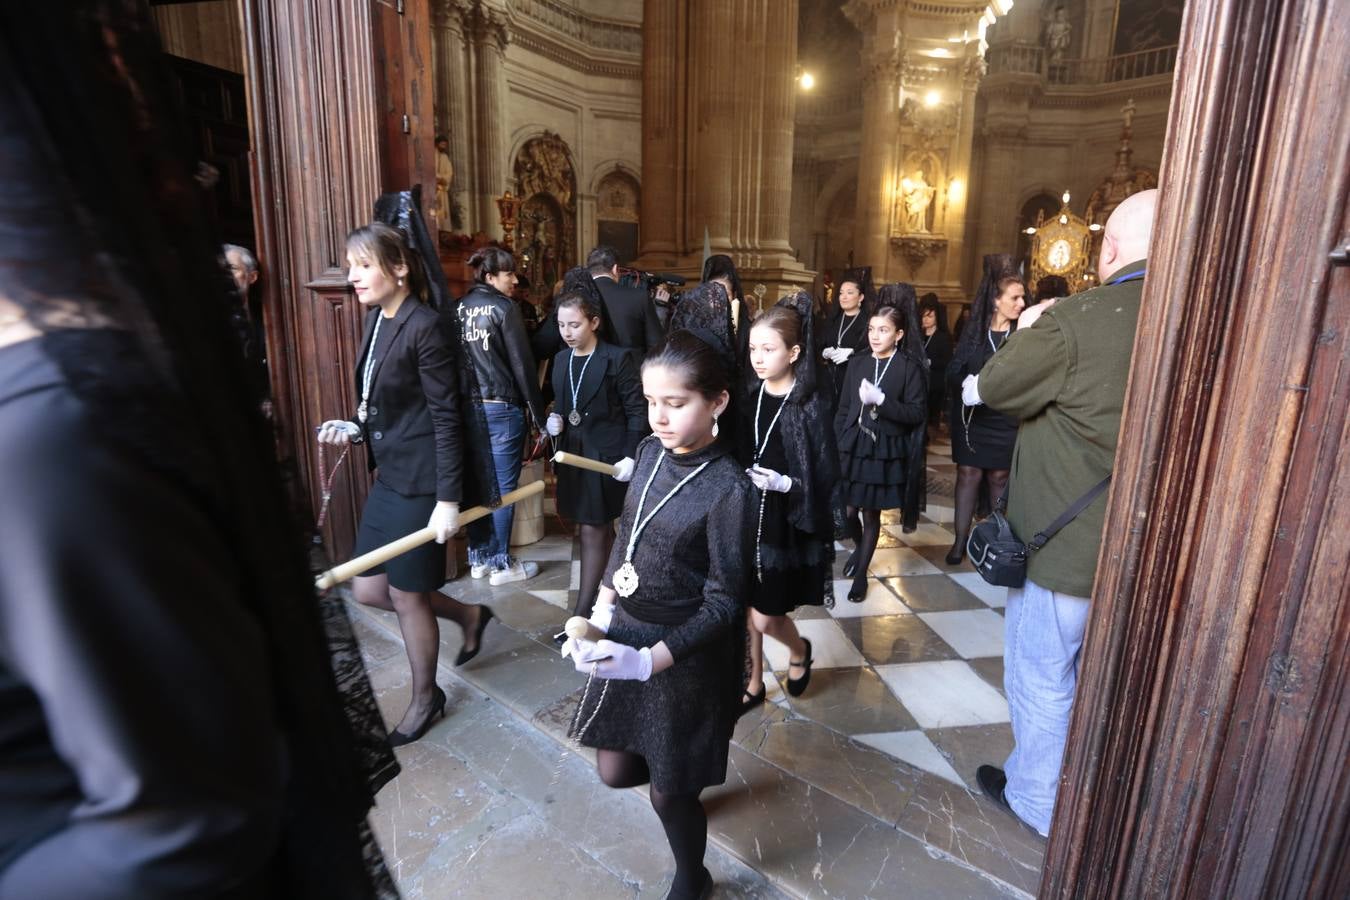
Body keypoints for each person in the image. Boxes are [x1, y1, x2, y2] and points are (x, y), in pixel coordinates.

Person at [0, 7, 389, 893]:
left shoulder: (49, 434)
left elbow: (183, 817)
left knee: (389, 583)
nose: (353, 283)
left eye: (365, 270)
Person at [966, 189, 1157, 838]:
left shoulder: (1082, 318)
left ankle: (1038, 802)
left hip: (1067, 554)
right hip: (1151, 553)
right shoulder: (1201, 313)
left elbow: (997, 386)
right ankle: (1098, 793)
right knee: (1115, 686)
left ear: (1107, 249)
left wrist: (1027, 330)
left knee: (1043, 679)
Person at [560, 289, 753, 900]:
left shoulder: (729, 488)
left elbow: (726, 604)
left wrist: (649, 662)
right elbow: (627, 535)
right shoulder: (648, 451)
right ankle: (680, 761)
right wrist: (598, 614)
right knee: (616, 772)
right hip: (627, 627)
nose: (660, 418)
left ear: (718, 400)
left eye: (677, 403)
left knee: (669, 791)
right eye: (650, 402)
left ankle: (692, 873)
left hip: (684, 649)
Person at [317, 223, 493, 744]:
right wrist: (358, 427)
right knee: (369, 587)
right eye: (350, 267)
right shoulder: (377, 319)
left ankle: (424, 698)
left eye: (364, 265)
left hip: (423, 483)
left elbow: (446, 417)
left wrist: (447, 500)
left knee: (406, 593)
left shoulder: (425, 325)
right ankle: (467, 612)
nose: (353, 277)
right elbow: (386, 400)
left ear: (399, 268)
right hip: (391, 474)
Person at [736, 293, 839, 714]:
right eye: (753, 349)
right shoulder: (750, 394)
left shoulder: (809, 403)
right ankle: (754, 681)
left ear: (794, 352)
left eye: (768, 349)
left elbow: (825, 472)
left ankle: (798, 648)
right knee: (746, 607)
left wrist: (785, 483)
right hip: (747, 513)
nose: (758, 358)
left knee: (765, 615)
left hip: (785, 518)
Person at [546, 290, 645, 622]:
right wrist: (554, 423)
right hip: (574, 456)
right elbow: (563, 406)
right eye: (561, 325)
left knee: (592, 529)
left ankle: (584, 612)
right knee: (594, 529)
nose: (567, 332)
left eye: (574, 324)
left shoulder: (617, 358)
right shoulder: (561, 360)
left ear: (595, 322)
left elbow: (636, 411)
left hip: (605, 458)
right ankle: (618, 595)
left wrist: (630, 455)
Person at [458, 245, 547, 584]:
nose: (514, 279)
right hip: (501, 408)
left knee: (478, 486)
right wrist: (539, 417)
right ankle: (501, 564)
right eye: (509, 273)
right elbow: (523, 367)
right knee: (504, 491)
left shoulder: (456, 309)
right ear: (490, 276)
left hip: (468, 409)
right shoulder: (504, 308)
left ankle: (479, 557)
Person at [834, 284, 928, 601]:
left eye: (884, 330)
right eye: (872, 329)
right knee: (847, 513)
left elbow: (915, 413)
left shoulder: (908, 367)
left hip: (883, 450)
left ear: (898, 334)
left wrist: (883, 400)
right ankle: (860, 550)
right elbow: (845, 407)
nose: (875, 336)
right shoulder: (858, 362)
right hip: (853, 444)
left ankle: (861, 574)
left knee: (870, 515)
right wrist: (839, 440)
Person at [945, 256, 1026, 564]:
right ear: (996, 300)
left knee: (999, 478)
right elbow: (952, 370)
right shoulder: (976, 332)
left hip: (1005, 419)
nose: (1020, 303)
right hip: (973, 421)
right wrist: (967, 381)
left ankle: (996, 542)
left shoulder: (1022, 334)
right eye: (1014, 298)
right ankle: (959, 541)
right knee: (967, 474)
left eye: (1022, 298)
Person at [588, 244, 664, 363]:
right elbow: (656, 346)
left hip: (589, 375)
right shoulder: (639, 297)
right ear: (615, 269)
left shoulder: (578, 297)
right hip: (633, 374)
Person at [819, 270, 872, 410]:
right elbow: (821, 342)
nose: (844, 297)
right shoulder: (834, 318)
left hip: (853, 381)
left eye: (849, 293)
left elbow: (873, 351)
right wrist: (824, 352)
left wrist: (853, 353)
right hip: (830, 380)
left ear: (861, 297)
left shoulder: (867, 322)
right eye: (841, 293)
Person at [919, 292, 952, 428]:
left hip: (935, 382)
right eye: (923, 316)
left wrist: (930, 362)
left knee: (931, 418)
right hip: (919, 381)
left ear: (937, 318)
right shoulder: (918, 335)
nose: (926, 319)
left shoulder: (943, 337)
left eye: (930, 316)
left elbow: (947, 361)